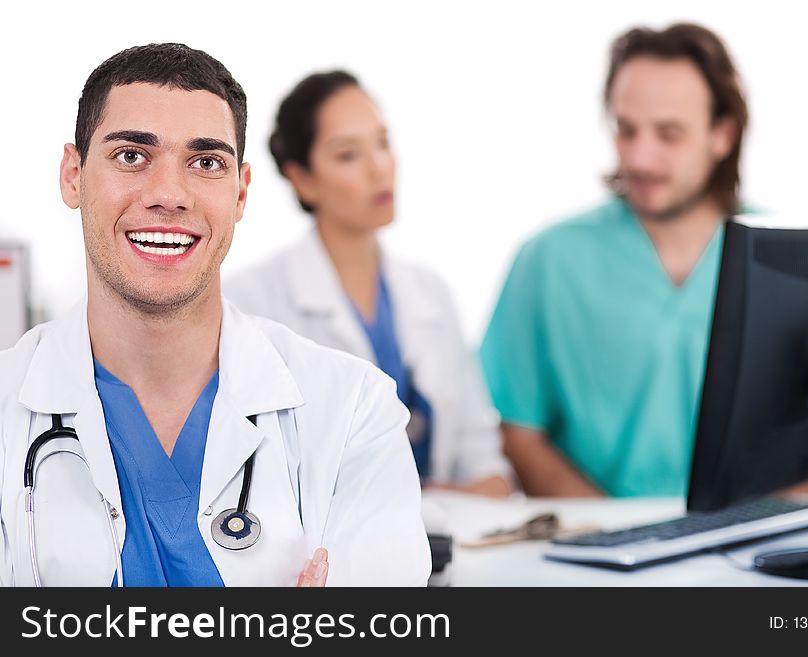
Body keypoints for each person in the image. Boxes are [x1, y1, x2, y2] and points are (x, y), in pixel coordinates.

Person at [0, 44, 431, 587]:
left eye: (206, 163)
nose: (169, 195)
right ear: (73, 175)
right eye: (132, 155)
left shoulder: (353, 413)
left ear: (241, 192)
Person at [480, 23, 749, 498]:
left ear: (722, 134)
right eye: (626, 130)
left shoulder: (785, 255)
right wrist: (613, 538)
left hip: (751, 550)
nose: (640, 158)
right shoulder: (548, 260)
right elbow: (516, 431)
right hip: (597, 551)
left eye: (669, 135)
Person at [225, 71, 512, 497]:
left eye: (382, 142)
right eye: (348, 155)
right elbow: (251, 478)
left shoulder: (430, 294)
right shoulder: (248, 302)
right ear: (301, 178)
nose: (380, 167)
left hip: (444, 544)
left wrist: (437, 503)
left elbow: (485, 466)